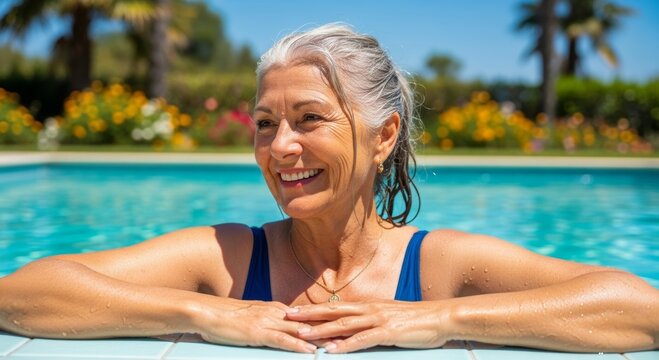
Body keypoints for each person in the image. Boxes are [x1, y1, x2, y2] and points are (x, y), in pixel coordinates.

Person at [0, 23, 657, 354]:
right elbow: (21, 295)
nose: (279, 147)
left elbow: (639, 307)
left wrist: (438, 318)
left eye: (309, 119)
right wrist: (202, 313)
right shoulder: (224, 260)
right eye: (264, 124)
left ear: (381, 136)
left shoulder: (436, 267)